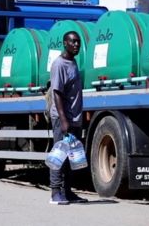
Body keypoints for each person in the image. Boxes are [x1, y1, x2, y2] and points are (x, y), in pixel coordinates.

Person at [48, 30, 88, 205]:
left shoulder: (73, 62)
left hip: (74, 117)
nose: (76, 45)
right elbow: (57, 93)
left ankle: (68, 192)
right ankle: (55, 192)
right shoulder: (59, 64)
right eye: (73, 42)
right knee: (60, 154)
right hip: (62, 118)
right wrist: (64, 120)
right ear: (65, 43)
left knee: (72, 156)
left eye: (78, 42)